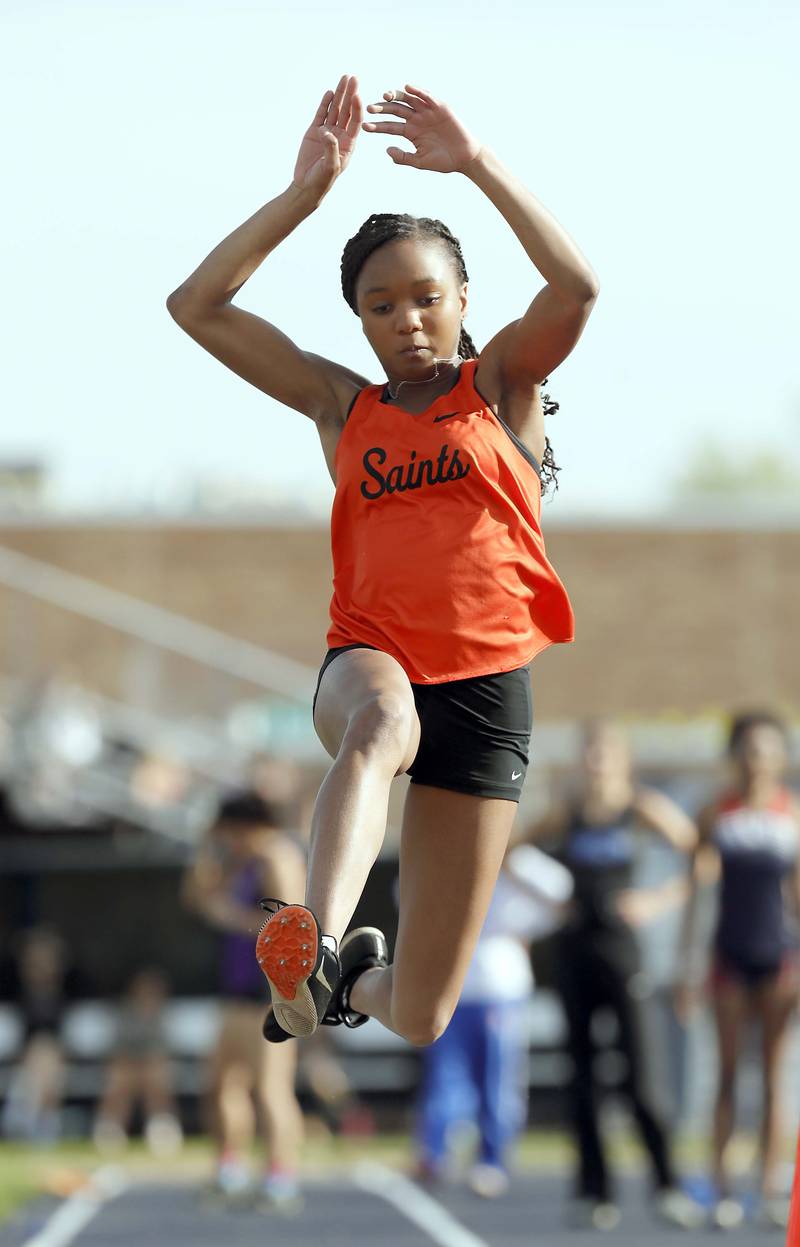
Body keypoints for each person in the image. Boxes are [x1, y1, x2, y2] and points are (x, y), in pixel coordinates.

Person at [167, 74, 599, 1046]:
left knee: (420, 1012)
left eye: (423, 298)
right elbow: (196, 304)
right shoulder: (342, 406)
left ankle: (338, 979)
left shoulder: (503, 386)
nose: (404, 320)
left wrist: (476, 162)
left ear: (459, 301)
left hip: (487, 690)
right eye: (378, 305)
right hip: (371, 659)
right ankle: (312, 938)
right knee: (379, 720)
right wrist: (302, 196)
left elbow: (575, 289)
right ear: (357, 319)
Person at [530, 719, 703, 1230]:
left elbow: (700, 857)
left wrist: (656, 901)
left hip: (624, 958)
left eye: (605, 753)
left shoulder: (641, 810)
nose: (596, 762)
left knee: (642, 1079)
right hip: (575, 956)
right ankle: (592, 1192)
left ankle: (668, 1185)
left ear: (623, 760)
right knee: (582, 1079)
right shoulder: (567, 814)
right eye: (590, 753)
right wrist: (548, 902)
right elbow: (510, 850)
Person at [677, 710, 800, 1231]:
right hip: (728, 955)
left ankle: (770, 1188)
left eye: (768, 749)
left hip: (779, 958)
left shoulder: (791, 814)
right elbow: (697, 894)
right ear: (735, 756)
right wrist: (688, 968)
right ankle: (722, 1188)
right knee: (728, 1075)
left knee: (774, 1077)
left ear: (781, 756)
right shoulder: (715, 814)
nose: (758, 760)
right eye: (749, 749)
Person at [415, 842, 573, 1198]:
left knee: (497, 1076)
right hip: (451, 986)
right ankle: (435, 1152)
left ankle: (492, 1158)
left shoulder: (525, 863)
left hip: (500, 988)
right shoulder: (450, 850)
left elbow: (562, 899)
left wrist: (515, 873)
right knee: (445, 1075)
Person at [182, 791, 306, 1210]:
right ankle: (229, 1168)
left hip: (270, 990)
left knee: (270, 1088)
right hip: (237, 989)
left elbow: (290, 924)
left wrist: (232, 918)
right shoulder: (241, 860)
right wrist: (206, 849)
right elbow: (196, 896)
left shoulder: (277, 857)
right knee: (221, 1083)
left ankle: (279, 1177)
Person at [93, 967, 183, 1157]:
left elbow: (162, 1049)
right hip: (127, 1067)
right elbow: (118, 1047)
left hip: (152, 1068)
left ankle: (162, 1127)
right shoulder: (124, 1014)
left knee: (156, 1074)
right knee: (120, 1076)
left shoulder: (162, 1016)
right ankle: (111, 1129)